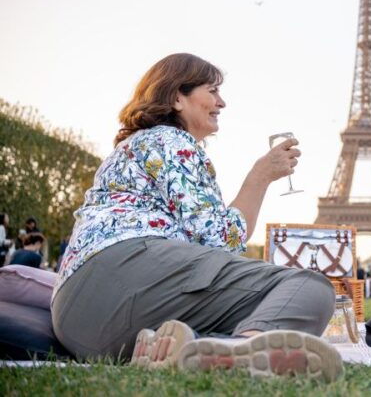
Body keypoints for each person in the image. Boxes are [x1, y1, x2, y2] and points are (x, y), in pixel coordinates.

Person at [51, 53, 341, 381]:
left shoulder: (135, 146)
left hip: (81, 323)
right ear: (177, 97)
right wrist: (259, 177)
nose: (222, 102)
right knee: (306, 286)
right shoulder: (172, 140)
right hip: (127, 278)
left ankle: (190, 347)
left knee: (253, 307)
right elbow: (220, 240)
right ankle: (243, 350)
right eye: (212, 91)